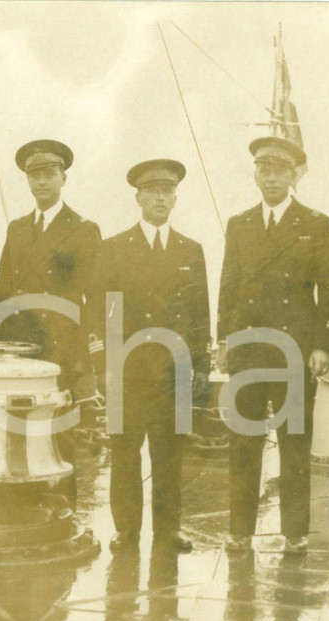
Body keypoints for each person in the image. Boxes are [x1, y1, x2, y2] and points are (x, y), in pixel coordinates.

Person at [216, 136, 329, 554]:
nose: (270, 178)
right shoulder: (239, 224)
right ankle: (239, 530)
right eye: (263, 170)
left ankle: (296, 532)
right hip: (249, 348)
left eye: (278, 170)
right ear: (255, 174)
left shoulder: (316, 224)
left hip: (295, 350)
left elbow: (328, 290)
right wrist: (224, 339)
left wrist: (322, 344)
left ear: (293, 175)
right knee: (243, 442)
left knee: (294, 441)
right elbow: (228, 286)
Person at [86, 159, 210, 553]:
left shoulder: (191, 249)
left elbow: (199, 315)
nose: (160, 197)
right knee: (124, 453)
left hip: (173, 371)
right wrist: (103, 366)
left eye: (167, 190)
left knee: (169, 455)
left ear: (175, 197)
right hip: (128, 371)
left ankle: (168, 530)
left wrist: (200, 364)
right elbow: (98, 311)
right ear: (138, 197)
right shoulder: (114, 249)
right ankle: (126, 529)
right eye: (152, 191)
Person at [0, 139, 101, 509]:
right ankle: (22, 510)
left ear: (63, 178)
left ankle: (61, 513)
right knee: (19, 429)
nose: (41, 183)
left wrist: (84, 357)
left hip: (62, 350)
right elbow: (3, 293)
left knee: (60, 435)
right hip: (21, 350)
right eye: (34, 176)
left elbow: (95, 299)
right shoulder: (17, 229)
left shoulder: (84, 229)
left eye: (48, 175)